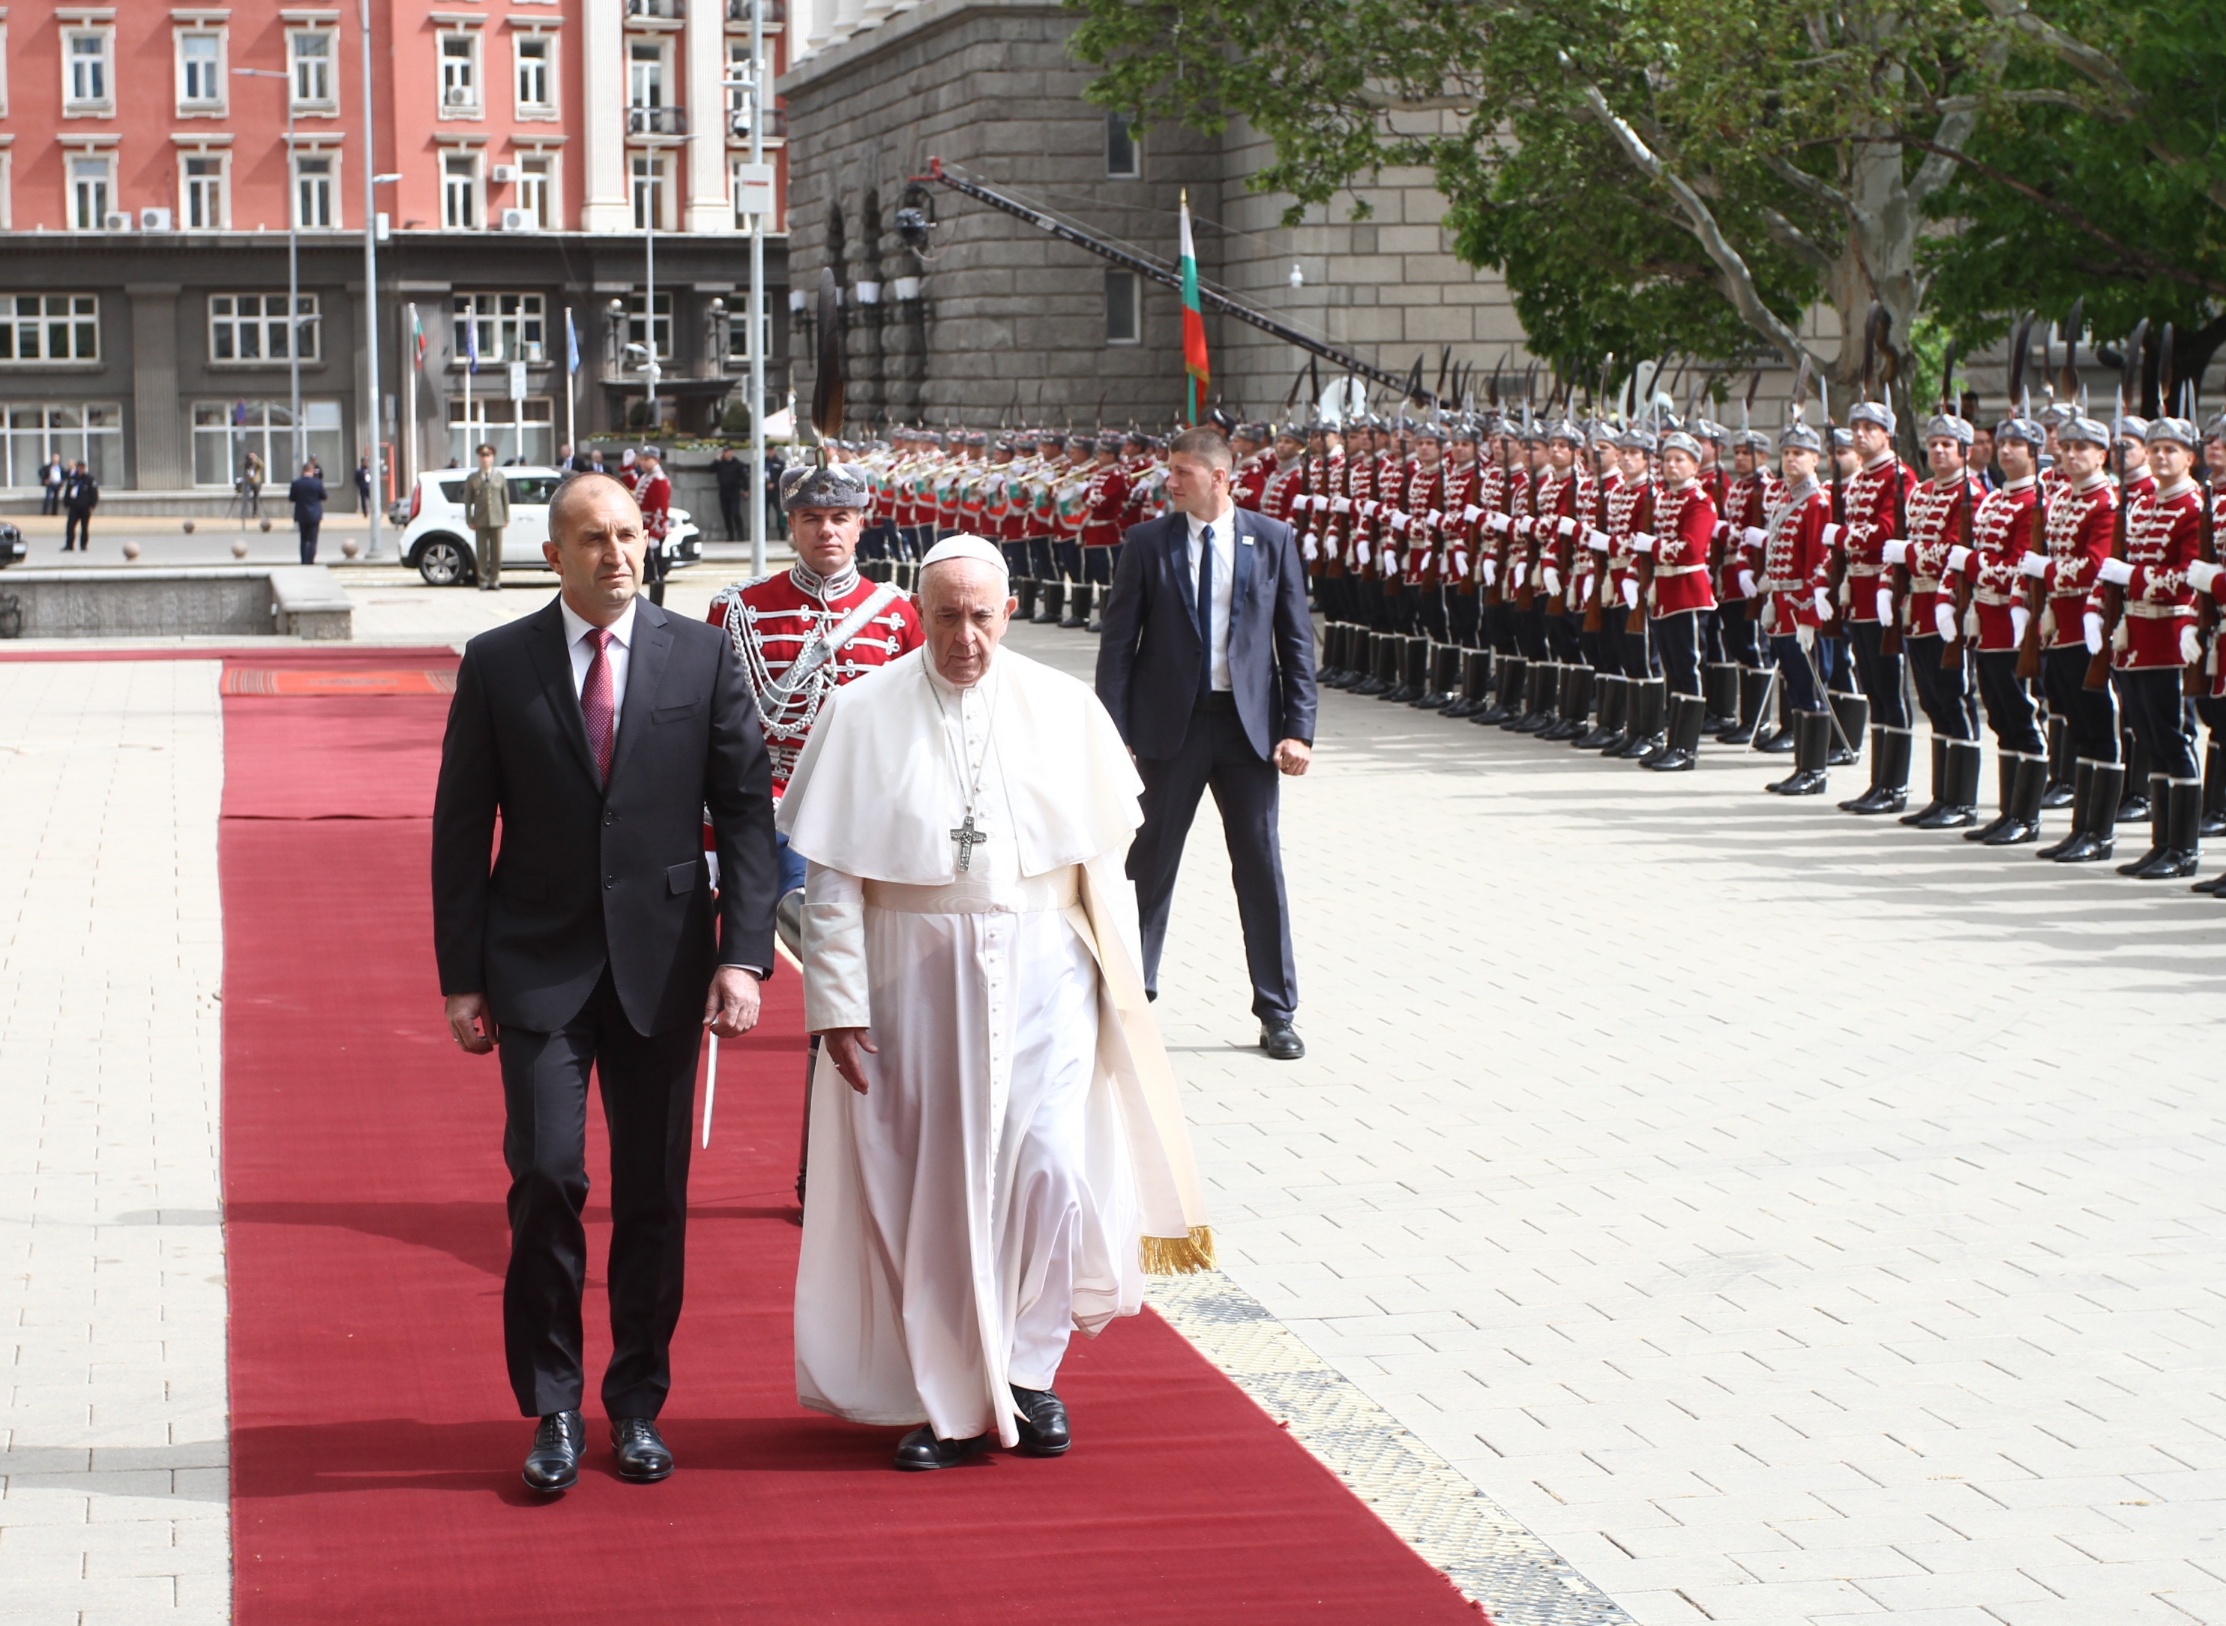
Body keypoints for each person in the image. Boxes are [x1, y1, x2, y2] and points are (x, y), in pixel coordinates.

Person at [778, 534, 1213, 1471]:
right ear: (918, 615)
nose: (965, 638)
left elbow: (1106, 867)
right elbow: (833, 881)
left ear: (1008, 613)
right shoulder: (860, 711)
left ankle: (1028, 1373)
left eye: (981, 617)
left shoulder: (1064, 707)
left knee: (1048, 1168)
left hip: (1047, 974)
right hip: (909, 981)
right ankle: (945, 1399)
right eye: (946, 617)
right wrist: (837, 1005)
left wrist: (1120, 991)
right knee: (927, 1187)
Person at [431, 471, 779, 1496]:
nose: (617, 553)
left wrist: (744, 953)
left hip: (665, 967)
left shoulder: (701, 656)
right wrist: (461, 977)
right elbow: (461, 830)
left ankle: (635, 1406)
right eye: (593, 538)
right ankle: (552, 1406)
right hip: (536, 965)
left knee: (654, 1196)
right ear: (554, 555)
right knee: (547, 1177)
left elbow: (746, 814)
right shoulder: (499, 663)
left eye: (629, 533)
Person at [1096, 426, 1317, 1062]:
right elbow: (1119, 646)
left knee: (1260, 868)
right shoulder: (1147, 543)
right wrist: (1114, 734)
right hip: (1171, 729)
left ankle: (1277, 1011)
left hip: (1248, 734)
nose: (1170, 481)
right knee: (1148, 867)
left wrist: (1298, 728)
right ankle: (1130, 1002)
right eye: (1169, 470)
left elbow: (1296, 640)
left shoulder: (1271, 539)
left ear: (1220, 477)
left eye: (1182, 472)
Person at [462, 443, 510, 592]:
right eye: (482, 456)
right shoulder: (473, 478)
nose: (485, 459)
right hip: (480, 520)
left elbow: (505, 499)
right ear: (479, 458)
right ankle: (482, 580)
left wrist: (506, 517)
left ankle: (494, 580)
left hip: (497, 519)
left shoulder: (500, 476)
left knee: (496, 552)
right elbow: (468, 501)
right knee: (482, 552)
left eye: (488, 456)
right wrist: (469, 519)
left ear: (493, 457)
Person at [635, 447, 672, 607]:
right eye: (642, 459)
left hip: (652, 531)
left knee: (656, 571)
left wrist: (655, 534)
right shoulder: (646, 478)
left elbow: (660, 510)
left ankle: (657, 605)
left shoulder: (659, 480)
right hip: (643, 529)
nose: (642, 462)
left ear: (656, 460)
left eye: (646, 459)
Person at [288, 460, 327, 564]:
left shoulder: (296, 483)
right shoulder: (317, 483)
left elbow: (291, 498)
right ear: (312, 471)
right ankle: (310, 559)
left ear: (303, 471)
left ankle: (304, 560)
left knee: (303, 538)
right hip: (314, 514)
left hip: (302, 513)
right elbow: (324, 496)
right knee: (313, 539)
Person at [61, 461, 98, 552]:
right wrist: (66, 503)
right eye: (79, 467)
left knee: (84, 527)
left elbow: (94, 493)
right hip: (74, 507)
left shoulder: (89, 479)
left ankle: (83, 545)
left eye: (82, 468)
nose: (80, 469)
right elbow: (67, 492)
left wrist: (92, 505)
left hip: (85, 507)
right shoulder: (72, 479)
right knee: (70, 526)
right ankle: (69, 545)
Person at [714, 446, 748, 541]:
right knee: (726, 514)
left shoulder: (738, 464)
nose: (727, 454)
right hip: (723, 492)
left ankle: (740, 534)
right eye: (725, 452)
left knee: (735, 512)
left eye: (729, 452)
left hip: (734, 491)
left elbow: (745, 477)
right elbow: (711, 469)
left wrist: (746, 489)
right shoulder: (720, 463)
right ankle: (730, 534)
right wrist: (717, 460)